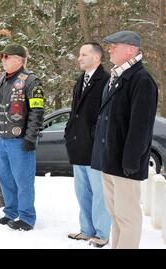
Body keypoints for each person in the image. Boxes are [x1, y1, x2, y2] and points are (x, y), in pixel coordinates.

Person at [91, 31, 158, 249]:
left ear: (131, 49)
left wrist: (130, 161)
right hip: (110, 160)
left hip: (124, 164)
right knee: (116, 215)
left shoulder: (142, 80)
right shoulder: (117, 77)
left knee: (128, 217)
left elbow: (141, 127)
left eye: (114, 46)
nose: (109, 50)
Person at [0, 43, 44, 231]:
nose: (3, 60)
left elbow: (37, 111)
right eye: (2, 56)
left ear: (19, 59)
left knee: (23, 180)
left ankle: (27, 217)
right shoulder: (0, 80)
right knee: (5, 177)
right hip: (2, 138)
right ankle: (11, 212)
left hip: (20, 139)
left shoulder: (31, 80)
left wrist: (31, 137)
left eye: (7, 57)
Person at [64, 42, 111, 247]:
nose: (79, 58)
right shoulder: (80, 80)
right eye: (79, 54)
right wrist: (69, 132)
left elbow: (107, 116)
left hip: (96, 147)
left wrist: (95, 135)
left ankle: (101, 233)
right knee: (82, 191)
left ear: (97, 58)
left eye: (84, 54)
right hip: (78, 145)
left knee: (100, 192)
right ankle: (86, 230)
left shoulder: (106, 81)